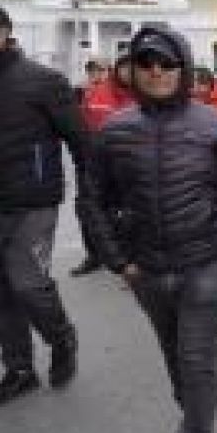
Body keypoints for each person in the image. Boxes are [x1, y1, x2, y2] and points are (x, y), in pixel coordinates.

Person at [83, 26, 217, 433]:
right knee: (173, 352)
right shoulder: (114, 131)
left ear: (183, 68)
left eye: (167, 63)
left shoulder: (215, 124)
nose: (156, 71)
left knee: (195, 356)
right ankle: (194, 409)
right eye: (146, 62)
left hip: (205, 263)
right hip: (146, 269)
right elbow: (92, 201)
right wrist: (118, 260)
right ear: (132, 70)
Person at [0, 6, 86, 404]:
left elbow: (80, 140)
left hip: (32, 202)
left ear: (5, 32)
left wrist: (95, 196)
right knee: (2, 292)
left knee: (28, 283)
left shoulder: (43, 81)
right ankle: (20, 369)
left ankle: (61, 337)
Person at [71, 52, 136, 277]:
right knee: (88, 209)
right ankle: (94, 255)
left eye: (99, 69)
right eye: (92, 70)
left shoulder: (144, 94)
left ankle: (128, 259)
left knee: (128, 213)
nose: (128, 72)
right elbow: (78, 125)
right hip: (94, 162)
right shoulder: (92, 93)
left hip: (129, 164)